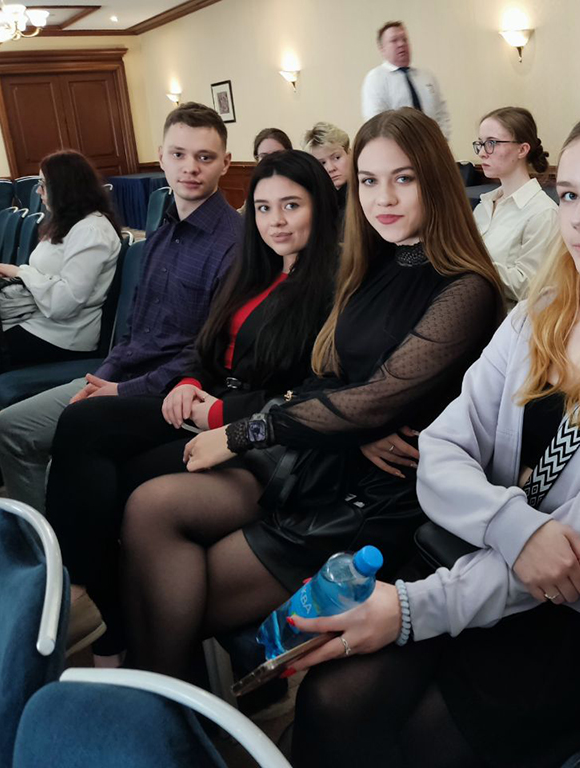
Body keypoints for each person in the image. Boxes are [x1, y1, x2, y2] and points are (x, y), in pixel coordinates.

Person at [284, 103, 580, 768]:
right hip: (475, 554)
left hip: (573, 616)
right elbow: (441, 449)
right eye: (569, 195)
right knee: (331, 699)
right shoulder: (536, 316)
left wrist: (407, 610)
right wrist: (514, 527)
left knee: (421, 739)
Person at [118, 107, 503, 682]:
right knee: (149, 513)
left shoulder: (465, 287)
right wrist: (349, 427)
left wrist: (242, 432)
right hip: (328, 456)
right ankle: (160, 701)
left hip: (378, 498)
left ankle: (159, 702)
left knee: (169, 599)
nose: (382, 198)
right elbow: (326, 376)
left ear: (437, 181)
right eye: (368, 180)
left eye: (403, 178)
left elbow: (379, 396)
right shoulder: (373, 263)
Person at [44, 149, 339, 663]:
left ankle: (114, 626)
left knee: (123, 479)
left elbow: (303, 390)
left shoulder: (331, 285)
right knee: (82, 423)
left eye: (291, 205)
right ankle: (91, 601)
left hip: (253, 432)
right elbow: (207, 347)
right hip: (205, 402)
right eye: (264, 207)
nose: (276, 220)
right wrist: (186, 381)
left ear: (320, 206)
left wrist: (218, 413)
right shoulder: (257, 269)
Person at [0, 101, 240, 514]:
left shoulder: (233, 242)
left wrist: (118, 390)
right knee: (8, 428)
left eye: (205, 157)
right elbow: (134, 329)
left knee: (73, 432)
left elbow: (207, 351)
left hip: (171, 390)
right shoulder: (162, 232)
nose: (190, 167)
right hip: (123, 374)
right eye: (179, 154)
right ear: (161, 157)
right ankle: (40, 537)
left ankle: (65, 540)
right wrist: (104, 377)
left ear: (226, 163)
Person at [0, 150, 121, 368]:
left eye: (43, 184)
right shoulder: (68, 223)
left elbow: (64, 303)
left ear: (65, 187)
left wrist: (21, 272)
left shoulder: (91, 231)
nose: (38, 190)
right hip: (38, 321)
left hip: (63, 337)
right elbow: (49, 277)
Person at [472, 107, 559, 306]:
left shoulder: (543, 213)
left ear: (522, 150)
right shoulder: (484, 205)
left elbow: (530, 287)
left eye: (491, 143)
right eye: (480, 144)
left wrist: (470, 262)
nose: (482, 153)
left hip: (506, 319)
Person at [362, 21, 451, 140]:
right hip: (399, 145)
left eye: (404, 39)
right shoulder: (375, 78)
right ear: (382, 48)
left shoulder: (426, 75)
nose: (401, 44)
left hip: (434, 143)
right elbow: (376, 122)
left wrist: (441, 139)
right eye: (394, 40)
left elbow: (441, 112)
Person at [303, 122, 350, 226]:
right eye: (322, 163)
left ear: (349, 154)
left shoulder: (364, 192)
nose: (331, 168)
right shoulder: (317, 201)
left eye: (336, 158)